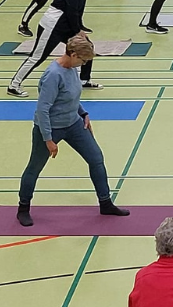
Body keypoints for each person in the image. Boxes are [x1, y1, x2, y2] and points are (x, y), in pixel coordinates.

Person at [15, 35, 129, 226]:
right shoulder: (53, 75)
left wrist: (83, 113)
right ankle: (23, 209)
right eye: (83, 60)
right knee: (34, 167)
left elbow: (72, 96)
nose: (83, 64)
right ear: (73, 54)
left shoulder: (72, 69)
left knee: (96, 158)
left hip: (74, 123)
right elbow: (42, 109)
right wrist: (48, 139)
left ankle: (105, 203)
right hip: (51, 127)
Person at [7, 0, 102, 97]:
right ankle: (14, 85)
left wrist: (79, 29)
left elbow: (77, 12)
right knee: (37, 57)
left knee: (87, 47)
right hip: (52, 26)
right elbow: (71, 11)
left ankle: (84, 80)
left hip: (65, 26)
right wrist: (77, 31)